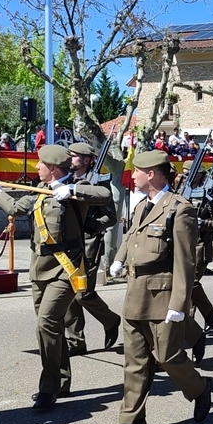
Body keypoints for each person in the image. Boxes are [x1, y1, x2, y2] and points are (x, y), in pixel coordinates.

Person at [0, 145, 107, 411]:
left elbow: (103, 195)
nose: (36, 167)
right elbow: (15, 208)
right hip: (39, 268)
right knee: (51, 326)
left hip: (65, 269)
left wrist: (70, 190)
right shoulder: (40, 189)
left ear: (52, 168)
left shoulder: (78, 188)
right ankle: (62, 380)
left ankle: (48, 387)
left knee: (46, 324)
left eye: (40, 164)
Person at [104, 150, 213, 424]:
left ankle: (200, 388)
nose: (133, 176)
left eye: (137, 171)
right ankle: (132, 421)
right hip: (135, 294)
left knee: (167, 356)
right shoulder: (142, 206)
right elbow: (131, 236)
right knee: (134, 362)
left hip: (162, 296)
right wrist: (119, 259)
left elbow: (185, 261)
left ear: (151, 174)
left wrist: (180, 303)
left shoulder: (179, 209)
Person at [61, 142, 122, 354]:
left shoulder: (99, 184)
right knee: (69, 292)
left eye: (74, 156)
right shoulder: (66, 180)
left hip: (88, 244)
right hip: (68, 244)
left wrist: (92, 225)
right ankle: (76, 341)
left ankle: (111, 319)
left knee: (83, 294)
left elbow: (111, 217)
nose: (70, 159)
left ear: (86, 160)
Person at [179, 158, 213, 341]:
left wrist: (201, 223)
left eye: (191, 174)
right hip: (180, 245)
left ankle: (188, 328)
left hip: (199, 246)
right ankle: (208, 310)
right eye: (185, 174)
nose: (187, 177)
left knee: (190, 284)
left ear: (200, 174)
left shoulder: (209, 193)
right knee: (184, 284)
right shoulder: (180, 189)